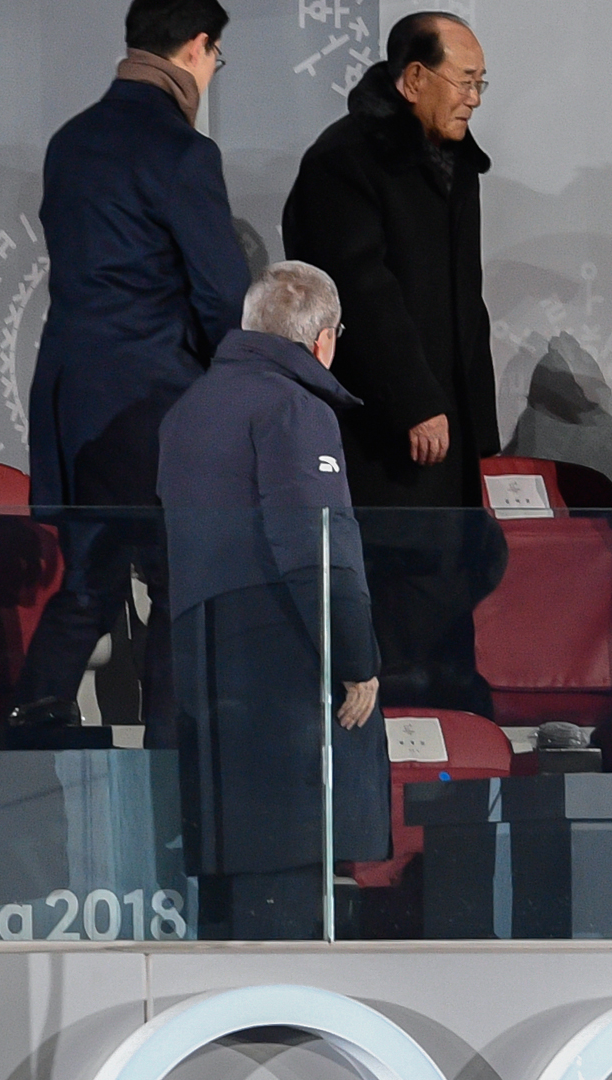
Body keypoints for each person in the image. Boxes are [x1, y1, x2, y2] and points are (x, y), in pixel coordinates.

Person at [22, 0, 251, 745]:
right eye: (217, 55)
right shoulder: (183, 153)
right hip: (153, 405)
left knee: (87, 580)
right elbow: (220, 292)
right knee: (184, 588)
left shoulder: (71, 142)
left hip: (72, 401)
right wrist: (241, 388)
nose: (214, 71)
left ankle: (33, 749)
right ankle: (174, 786)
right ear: (196, 47)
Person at [157, 262, 389, 939]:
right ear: (322, 340)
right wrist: (357, 657)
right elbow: (317, 546)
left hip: (205, 668)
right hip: (284, 679)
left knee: (228, 908)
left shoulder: (188, 408)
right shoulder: (294, 407)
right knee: (286, 896)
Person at [283, 12, 504, 714]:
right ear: (413, 79)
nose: (473, 98)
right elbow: (362, 293)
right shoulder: (344, 162)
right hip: (387, 435)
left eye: (481, 84)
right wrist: (414, 399)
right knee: (401, 610)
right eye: (463, 81)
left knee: (448, 603)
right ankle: (394, 782)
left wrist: (478, 424)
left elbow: (464, 303)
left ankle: (456, 778)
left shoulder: (452, 161)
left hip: (449, 430)